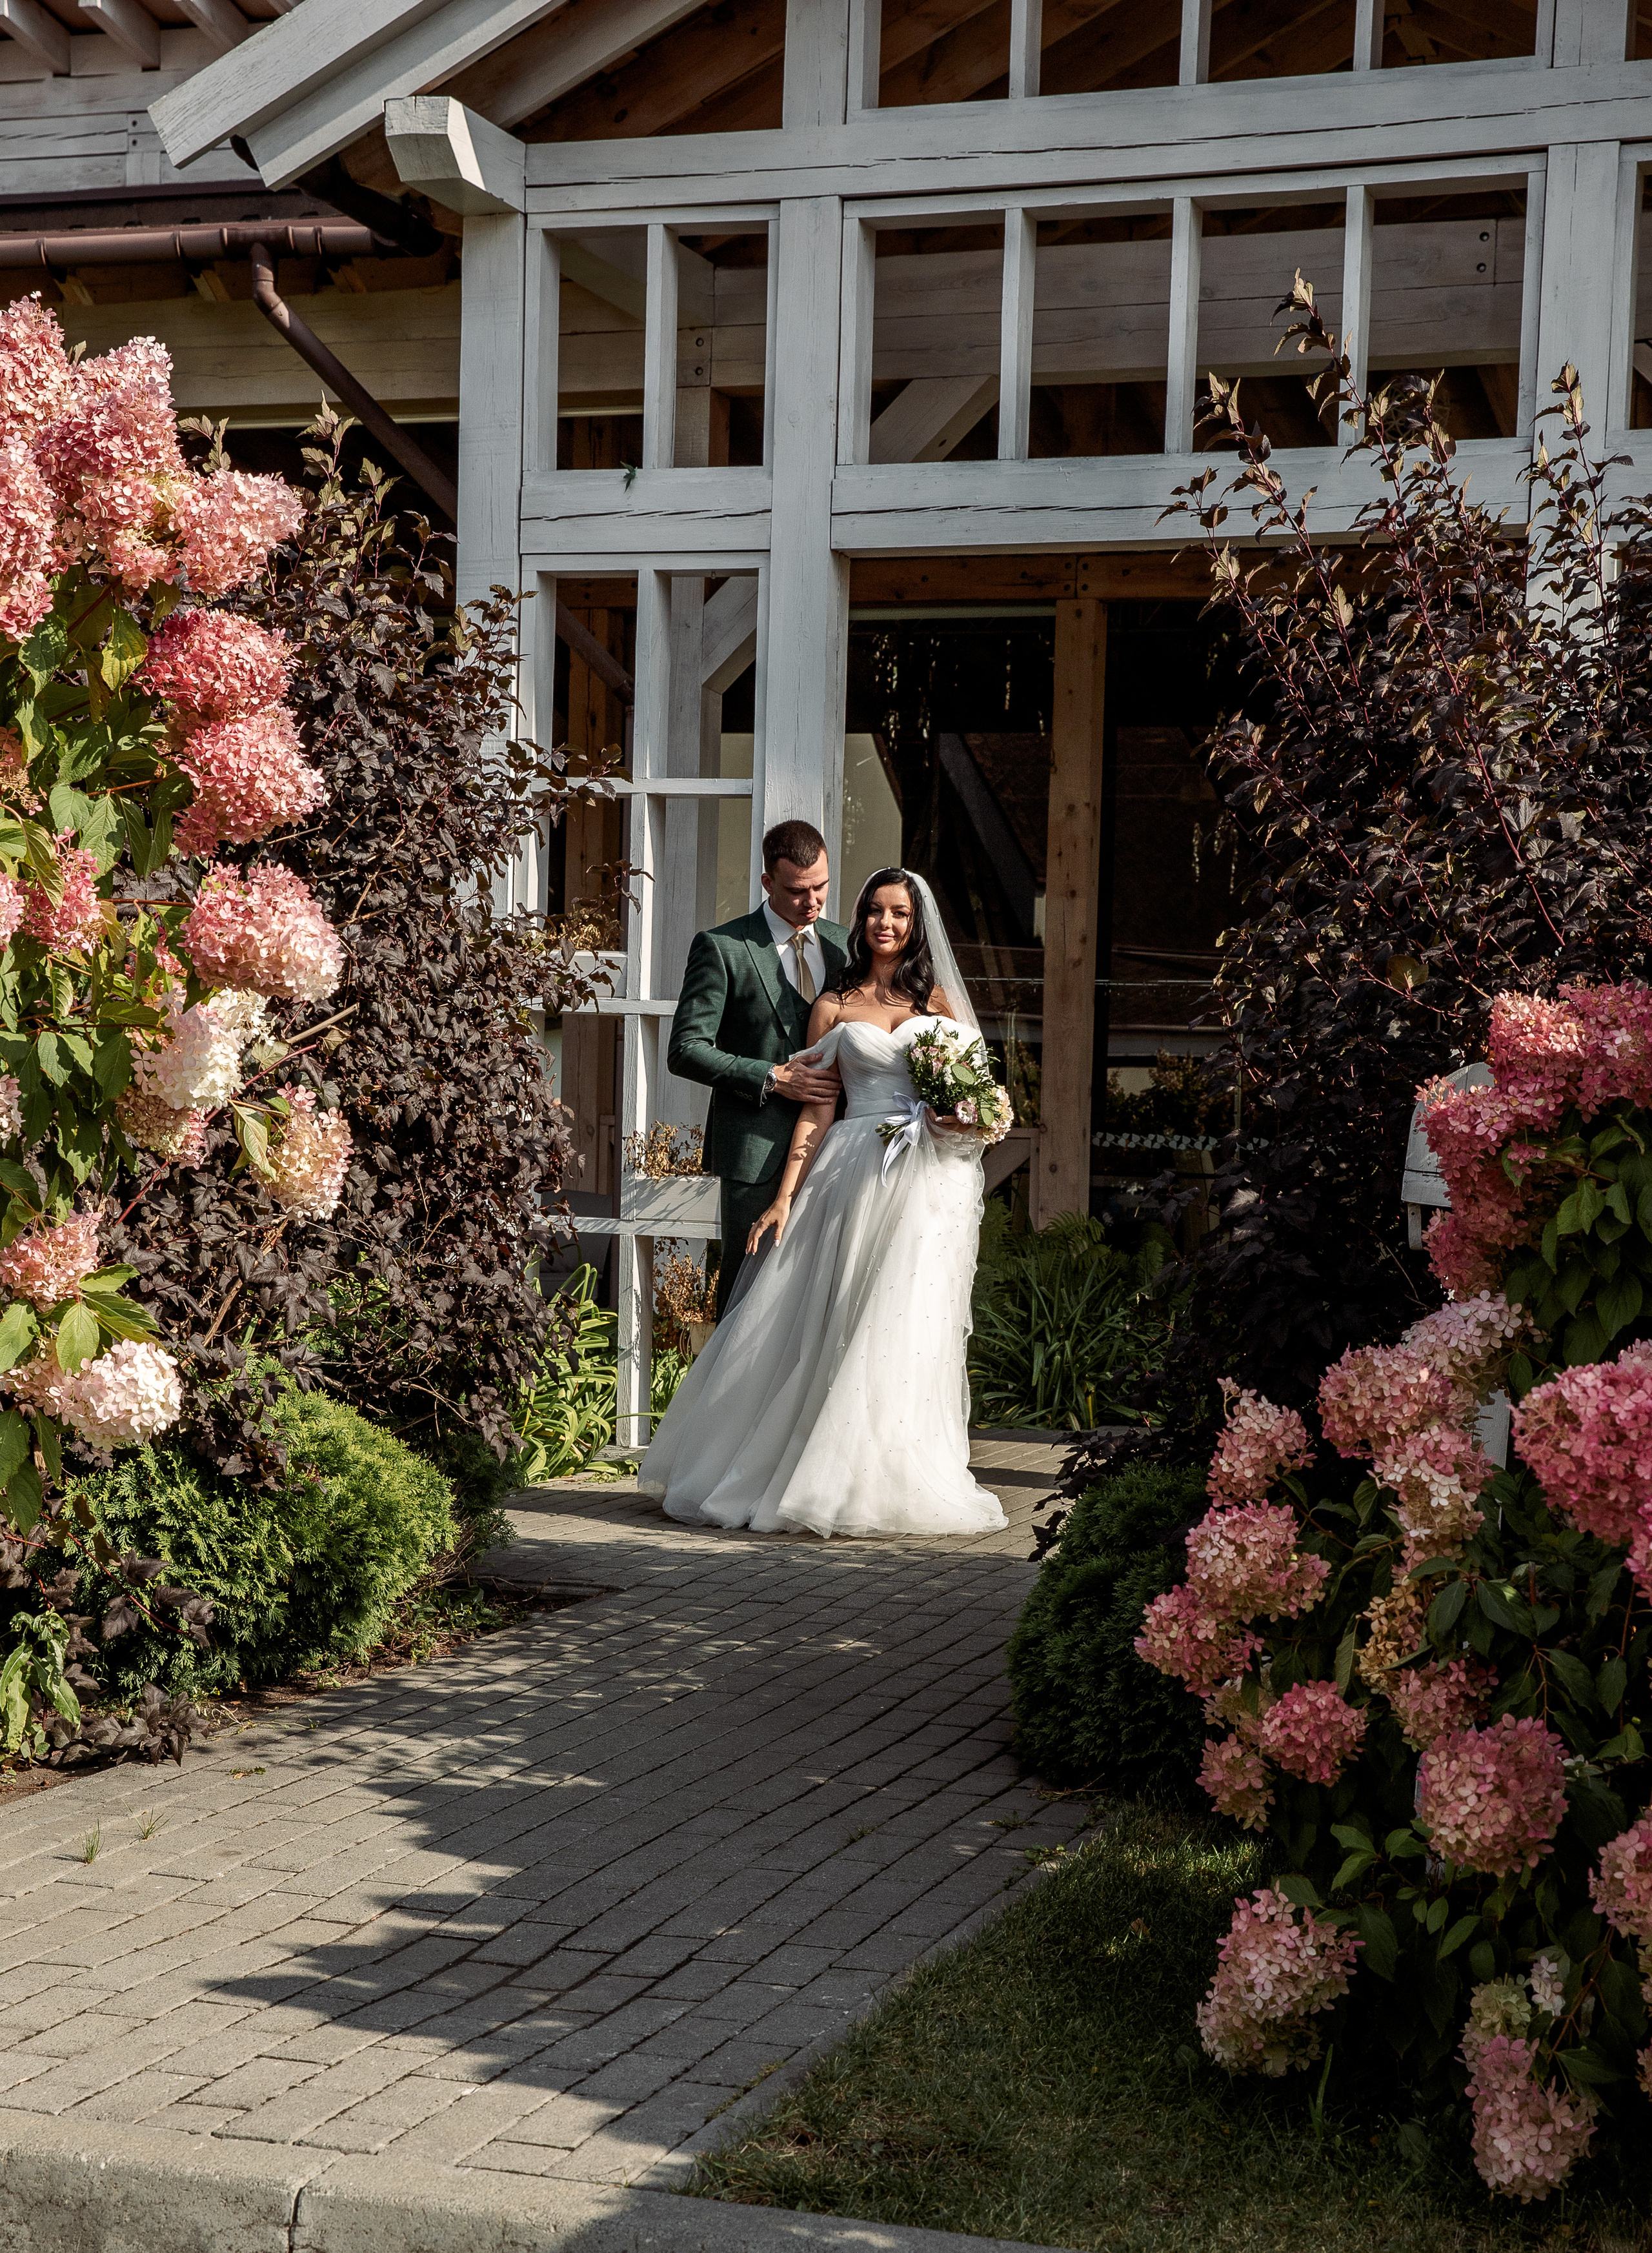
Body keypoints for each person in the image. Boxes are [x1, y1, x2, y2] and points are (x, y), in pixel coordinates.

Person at [641, 867, 1007, 1540]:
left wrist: (960, 1119)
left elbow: (984, 1105)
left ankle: (888, 1470)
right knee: (839, 1314)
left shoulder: (943, 1004)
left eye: (898, 913)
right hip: (849, 1171)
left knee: (906, 1318)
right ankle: (809, 1468)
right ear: (861, 919)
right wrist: (784, 1196)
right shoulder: (833, 1003)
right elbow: (817, 1104)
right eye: (873, 911)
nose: (885, 924)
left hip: (925, 1185)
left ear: (915, 922)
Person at [668, 820, 850, 1317]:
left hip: (835, 1149)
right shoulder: (723, 946)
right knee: (746, 1304)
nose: (811, 902)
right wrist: (771, 1076)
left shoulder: (848, 946)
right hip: (755, 1155)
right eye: (796, 891)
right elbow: (685, 1047)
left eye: (821, 887)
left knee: (822, 1300)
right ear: (768, 882)